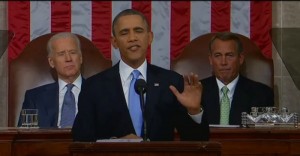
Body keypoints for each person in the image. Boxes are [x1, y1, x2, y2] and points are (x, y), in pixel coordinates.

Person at [72, 9, 209, 141]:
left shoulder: (172, 82)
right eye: (124, 33)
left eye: (138, 31)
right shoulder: (94, 86)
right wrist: (115, 143)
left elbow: (196, 142)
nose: (132, 38)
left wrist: (194, 111)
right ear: (114, 42)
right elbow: (81, 139)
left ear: (150, 37)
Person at [200, 32, 274, 125]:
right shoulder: (197, 91)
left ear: (240, 59)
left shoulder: (262, 94)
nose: (223, 62)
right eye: (218, 55)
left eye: (229, 55)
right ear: (211, 60)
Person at [18, 32, 83, 128]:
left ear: (81, 58)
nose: (68, 58)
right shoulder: (34, 98)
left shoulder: (100, 92)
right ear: (51, 62)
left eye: (73, 52)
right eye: (61, 54)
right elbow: (25, 138)